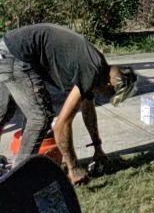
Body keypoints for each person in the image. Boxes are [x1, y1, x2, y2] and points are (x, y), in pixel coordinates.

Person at [0, 23, 137, 183]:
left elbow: (88, 108)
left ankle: (16, 173)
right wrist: (74, 168)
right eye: (109, 94)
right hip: (17, 55)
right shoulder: (92, 70)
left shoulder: (97, 65)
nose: (104, 97)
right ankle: (19, 178)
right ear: (108, 84)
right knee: (40, 118)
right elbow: (61, 125)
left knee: (4, 112)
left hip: (7, 48)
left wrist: (97, 147)